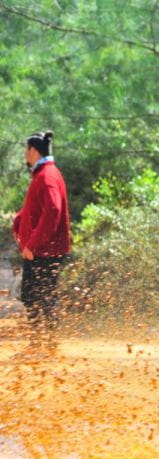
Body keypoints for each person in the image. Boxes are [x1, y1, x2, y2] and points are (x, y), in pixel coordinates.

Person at [12, 131, 71, 354]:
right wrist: (19, 221)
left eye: (26, 149)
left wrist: (33, 244)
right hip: (41, 250)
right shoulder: (43, 174)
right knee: (32, 296)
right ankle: (39, 344)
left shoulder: (47, 176)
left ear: (34, 151)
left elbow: (53, 210)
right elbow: (37, 208)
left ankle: (48, 346)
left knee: (43, 297)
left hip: (45, 251)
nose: (25, 153)